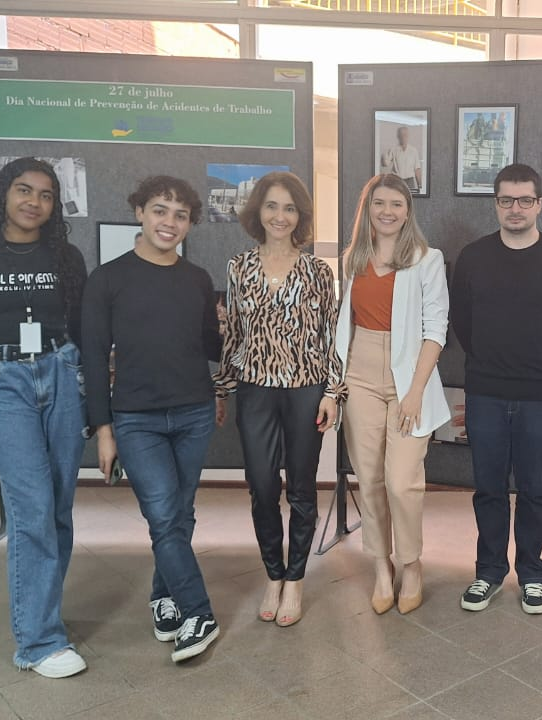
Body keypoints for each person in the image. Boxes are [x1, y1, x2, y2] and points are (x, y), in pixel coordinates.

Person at [0, 157, 89, 678]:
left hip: (62, 372)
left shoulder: (66, 257)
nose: (34, 202)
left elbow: (81, 328)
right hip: (3, 383)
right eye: (24, 190)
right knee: (30, 509)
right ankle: (39, 642)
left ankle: (41, 612)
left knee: (59, 507)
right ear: (4, 194)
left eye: (46, 195)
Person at [81, 175, 225, 663]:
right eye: (160, 210)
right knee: (163, 514)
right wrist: (104, 430)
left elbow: (210, 347)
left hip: (194, 412)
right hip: (136, 419)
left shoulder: (198, 279)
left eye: (180, 215)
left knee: (177, 517)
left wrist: (236, 326)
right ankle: (198, 611)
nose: (170, 222)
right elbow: (95, 357)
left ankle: (164, 597)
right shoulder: (108, 278)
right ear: (139, 212)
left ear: (189, 224)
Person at [450, 163, 542, 615]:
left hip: (540, 393)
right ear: (495, 204)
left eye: (525, 199)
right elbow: (462, 324)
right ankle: (489, 572)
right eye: (507, 200)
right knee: (488, 486)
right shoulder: (473, 257)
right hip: (485, 390)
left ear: (539, 203)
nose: (516, 208)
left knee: (533, 488)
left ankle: (532, 574)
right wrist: (491, 363)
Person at [213, 171, 342, 628]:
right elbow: (234, 335)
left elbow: (331, 336)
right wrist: (223, 389)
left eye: (290, 208)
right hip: (256, 389)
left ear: (300, 216)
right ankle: (273, 573)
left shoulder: (318, 271)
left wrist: (333, 392)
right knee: (263, 486)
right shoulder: (239, 267)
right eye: (272, 206)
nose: (280, 216)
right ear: (258, 212)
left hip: (307, 388)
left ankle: (296, 579)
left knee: (303, 489)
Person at [337, 174, 450, 616]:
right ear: (368, 209)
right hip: (359, 372)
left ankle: (412, 564)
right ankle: (382, 569)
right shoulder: (352, 258)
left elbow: (435, 329)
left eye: (396, 204)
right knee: (370, 480)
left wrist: (415, 391)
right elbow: (340, 328)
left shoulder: (426, 259)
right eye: (379, 203)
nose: (387, 211)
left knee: (402, 482)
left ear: (408, 211)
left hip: (409, 377)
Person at [381, 126, 423, 193]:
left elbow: (417, 169)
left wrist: (420, 185)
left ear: (408, 136)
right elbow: (385, 164)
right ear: (398, 136)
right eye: (401, 135)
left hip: (410, 182)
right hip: (397, 180)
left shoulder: (414, 151)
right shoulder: (393, 149)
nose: (403, 137)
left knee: (410, 199)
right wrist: (385, 149)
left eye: (405, 135)